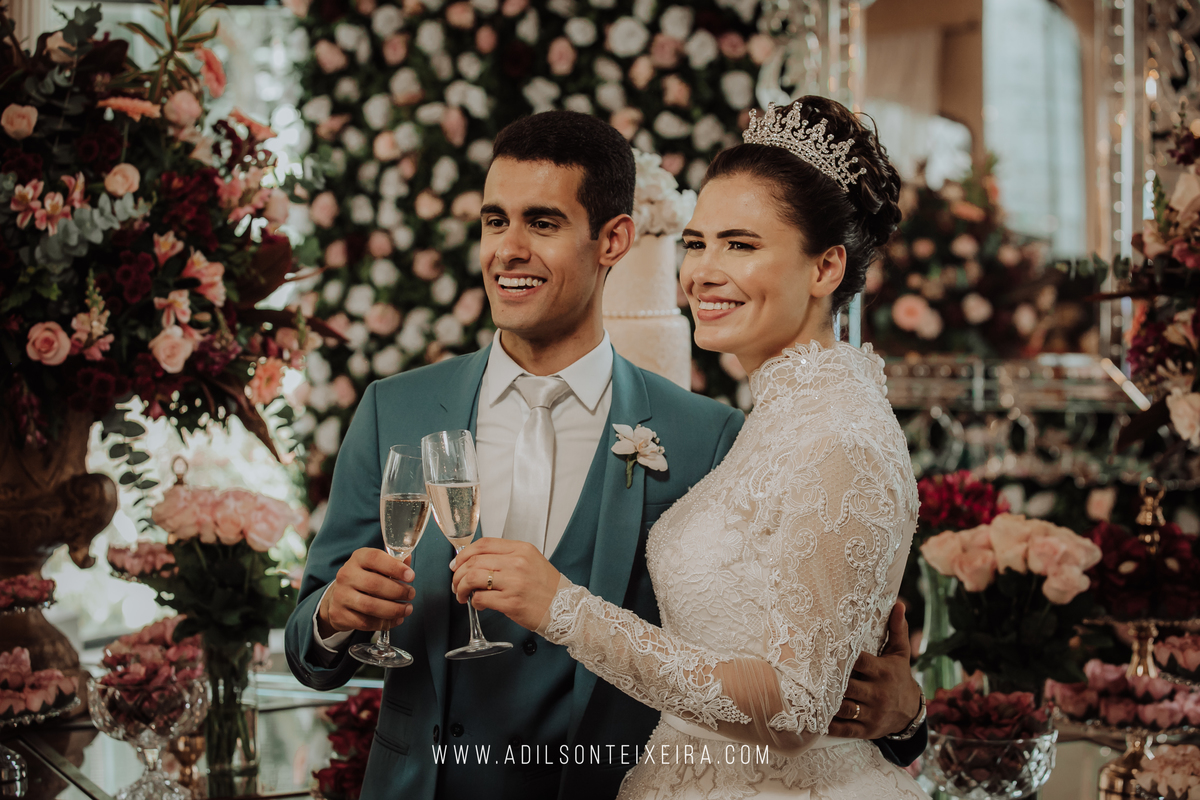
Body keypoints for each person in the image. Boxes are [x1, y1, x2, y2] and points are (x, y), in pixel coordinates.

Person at [284, 109, 926, 800]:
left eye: (543, 223)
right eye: (494, 221)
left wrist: (904, 715)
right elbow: (309, 646)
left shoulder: (708, 434)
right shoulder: (397, 411)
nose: (508, 249)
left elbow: (800, 664)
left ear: (614, 239)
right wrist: (330, 618)